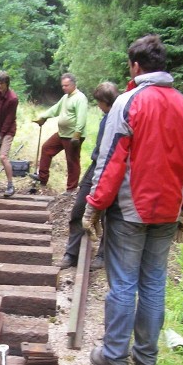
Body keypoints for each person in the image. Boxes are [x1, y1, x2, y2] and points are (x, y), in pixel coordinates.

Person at [83, 35, 183, 365]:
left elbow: (111, 161)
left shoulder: (128, 101)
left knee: (123, 283)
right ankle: (146, 358)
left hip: (130, 209)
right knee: (153, 282)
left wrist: (94, 206)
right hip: (167, 210)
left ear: (135, 66)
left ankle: (115, 357)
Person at [58, 82, 119, 270]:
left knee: (110, 214)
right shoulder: (105, 118)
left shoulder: (120, 117)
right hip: (96, 166)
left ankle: (102, 255)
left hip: (115, 169)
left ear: (104, 101)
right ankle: (71, 253)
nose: (98, 106)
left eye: (99, 102)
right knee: (79, 209)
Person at [30, 73, 88, 194]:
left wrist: (77, 134)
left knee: (72, 161)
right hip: (62, 133)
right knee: (46, 148)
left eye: (66, 85)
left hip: (73, 136)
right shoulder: (65, 97)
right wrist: (43, 117)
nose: (64, 88)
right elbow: (55, 109)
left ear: (73, 84)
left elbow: (81, 118)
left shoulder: (80, 98)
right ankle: (42, 177)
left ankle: (71, 189)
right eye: (62, 86)